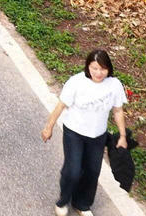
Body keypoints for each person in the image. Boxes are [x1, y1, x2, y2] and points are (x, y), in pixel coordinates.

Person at [42, 50, 129, 216]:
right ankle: (63, 200)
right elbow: (61, 106)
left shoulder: (114, 85)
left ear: (108, 69)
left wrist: (123, 136)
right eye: (94, 68)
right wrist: (49, 127)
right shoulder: (76, 82)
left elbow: (118, 111)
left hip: (98, 136)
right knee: (73, 170)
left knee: (92, 171)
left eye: (102, 69)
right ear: (88, 67)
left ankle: (82, 204)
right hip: (74, 133)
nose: (98, 73)